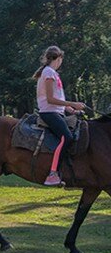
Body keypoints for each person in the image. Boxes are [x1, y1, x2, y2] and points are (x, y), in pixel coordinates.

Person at [34, 46, 86, 186]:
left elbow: (57, 99)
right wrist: (73, 104)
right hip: (48, 112)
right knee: (66, 138)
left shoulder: (51, 73)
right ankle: (52, 173)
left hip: (56, 111)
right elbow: (50, 99)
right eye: (61, 59)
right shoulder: (49, 73)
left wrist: (71, 109)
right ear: (59, 58)